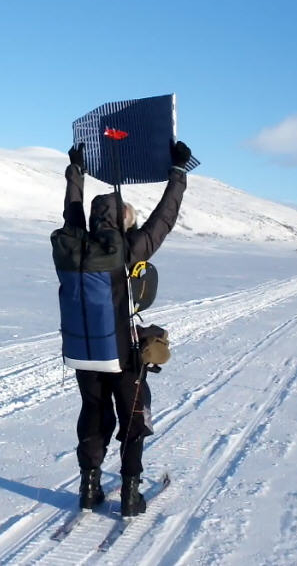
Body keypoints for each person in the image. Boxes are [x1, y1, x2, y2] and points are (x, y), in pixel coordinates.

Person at [59, 140, 191, 517]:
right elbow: (164, 220)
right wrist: (178, 173)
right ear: (123, 223)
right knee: (133, 420)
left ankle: (89, 489)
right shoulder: (130, 249)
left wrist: (76, 172)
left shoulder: (73, 244)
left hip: (84, 353)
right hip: (124, 356)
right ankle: (131, 494)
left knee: (93, 413)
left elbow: (71, 213)